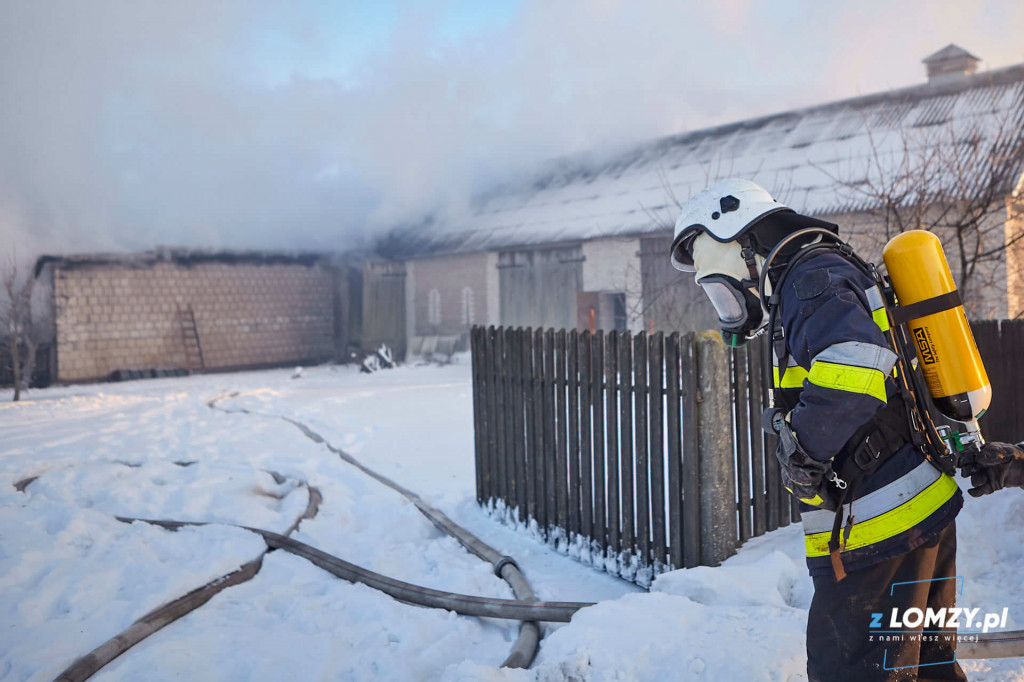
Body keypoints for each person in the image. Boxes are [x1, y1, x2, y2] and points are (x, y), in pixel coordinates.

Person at [670, 179, 965, 681]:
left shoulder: (813, 278)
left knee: (851, 672)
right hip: (910, 514)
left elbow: (854, 366)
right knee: (928, 670)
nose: (730, 307)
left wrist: (802, 448)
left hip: (879, 530)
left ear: (747, 248)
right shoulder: (819, 272)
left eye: (723, 288)